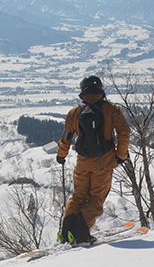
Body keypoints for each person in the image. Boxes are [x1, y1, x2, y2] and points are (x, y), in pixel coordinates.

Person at [56, 75, 131, 244]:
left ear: (83, 90)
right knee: (96, 200)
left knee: (78, 197)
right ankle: (81, 235)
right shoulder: (111, 109)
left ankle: (66, 232)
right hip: (103, 163)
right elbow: (124, 133)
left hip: (82, 162)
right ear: (100, 89)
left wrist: (61, 155)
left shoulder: (74, 112)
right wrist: (120, 156)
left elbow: (66, 137)